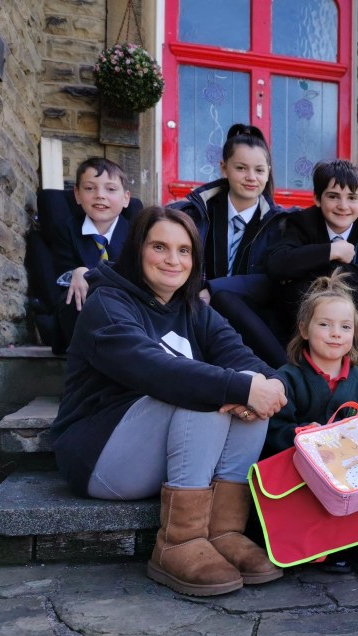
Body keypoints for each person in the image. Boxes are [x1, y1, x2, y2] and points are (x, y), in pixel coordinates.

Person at [51, 206, 288, 597]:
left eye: (183, 250)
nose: (172, 260)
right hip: (100, 455)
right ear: (137, 250)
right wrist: (235, 389)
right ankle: (178, 542)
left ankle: (224, 531)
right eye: (159, 246)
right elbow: (156, 371)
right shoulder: (107, 305)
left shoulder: (195, 309)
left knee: (248, 388)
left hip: (172, 452)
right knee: (211, 393)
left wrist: (269, 386)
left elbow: (252, 364)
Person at [264, 271, 358, 573]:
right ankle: (326, 541)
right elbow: (273, 429)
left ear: (354, 333)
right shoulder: (287, 377)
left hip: (350, 467)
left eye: (345, 327)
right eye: (324, 324)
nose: (335, 333)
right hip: (305, 469)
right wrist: (298, 434)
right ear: (304, 329)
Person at [172, 123, 289, 367]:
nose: (251, 178)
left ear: (268, 171)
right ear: (224, 168)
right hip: (195, 311)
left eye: (259, 170)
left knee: (225, 299)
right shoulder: (192, 213)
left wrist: (215, 289)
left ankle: (285, 376)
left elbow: (272, 279)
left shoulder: (281, 223)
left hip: (256, 319)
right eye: (241, 168)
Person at [264, 159, 358, 324]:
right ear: (317, 198)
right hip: (302, 319)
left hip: (352, 320)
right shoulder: (303, 221)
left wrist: (313, 269)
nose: (343, 206)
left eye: (352, 197)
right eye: (333, 196)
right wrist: (331, 251)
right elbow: (277, 263)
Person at [52, 157, 133, 352]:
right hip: (82, 313)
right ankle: (82, 354)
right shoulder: (67, 229)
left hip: (123, 310)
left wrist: (91, 274)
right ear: (77, 195)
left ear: (126, 198)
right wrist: (77, 272)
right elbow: (61, 270)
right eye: (90, 188)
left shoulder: (135, 234)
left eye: (111, 189)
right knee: (73, 293)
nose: (100, 196)